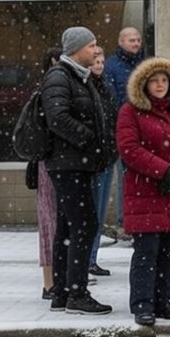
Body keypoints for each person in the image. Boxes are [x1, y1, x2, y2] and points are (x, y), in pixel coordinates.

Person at [116, 58, 170, 327]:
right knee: (146, 251)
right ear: (145, 84)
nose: (160, 85)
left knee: (168, 251)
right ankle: (143, 304)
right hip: (145, 191)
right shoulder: (130, 112)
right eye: (155, 80)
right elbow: (129, 148)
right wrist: (164, 171)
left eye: (164, 80)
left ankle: (163, 301)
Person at [41, 26, 116, 315]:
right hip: (68, 164)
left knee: (69, 228)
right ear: (76, 49)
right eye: (92, 45)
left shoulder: (77, 77)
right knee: (84, 225)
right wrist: (89, 139)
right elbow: (57, 118)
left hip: (76, 164)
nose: (96, 50)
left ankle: (62, 292)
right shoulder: (61, 76)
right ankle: (77, 293)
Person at [92, 26, 146, 270]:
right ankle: (124, 223)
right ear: (120, 41)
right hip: (115, 136)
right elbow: (114, 103)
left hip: (140, 134)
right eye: (131, 40)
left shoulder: (146, 64)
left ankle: (134, 226)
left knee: (136, 184)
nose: (135, 43)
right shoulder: (112, 67)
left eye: (138, 39)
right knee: (102, 197)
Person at [87, 46, 119, 279]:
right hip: (92, 158)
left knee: (99, 211)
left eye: (101, 61)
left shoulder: (107, 88)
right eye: (94, 61)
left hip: (107, 155)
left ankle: (92, 257)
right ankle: (85, 258)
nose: (99, 65)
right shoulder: (85, 88)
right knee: (89, 211)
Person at [35, 46, 62, 301]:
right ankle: (50, 281)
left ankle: (60, 279)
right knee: (49, 223)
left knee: (62, 224)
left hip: (62, 163)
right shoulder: (45, 93)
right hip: (49, 164)